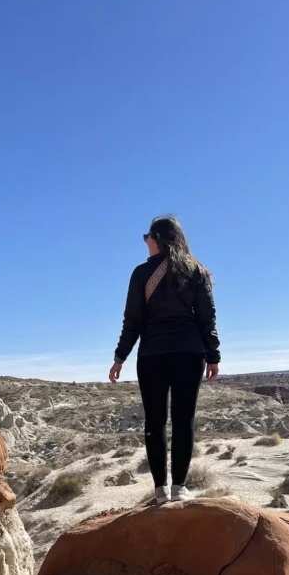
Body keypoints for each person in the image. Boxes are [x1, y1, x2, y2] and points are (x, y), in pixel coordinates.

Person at [109, 215, 220, 505]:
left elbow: (132, 319)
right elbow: (207, 318)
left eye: (147, 236)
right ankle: (179, 488)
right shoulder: (196, 271)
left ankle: (160, 490)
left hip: (152, 356)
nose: (145, 241)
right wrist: (213, 355)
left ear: (157, 238)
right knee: (185, 420)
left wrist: (120, 356)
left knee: (155, 422)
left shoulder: (141, 274)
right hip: (189, 354)